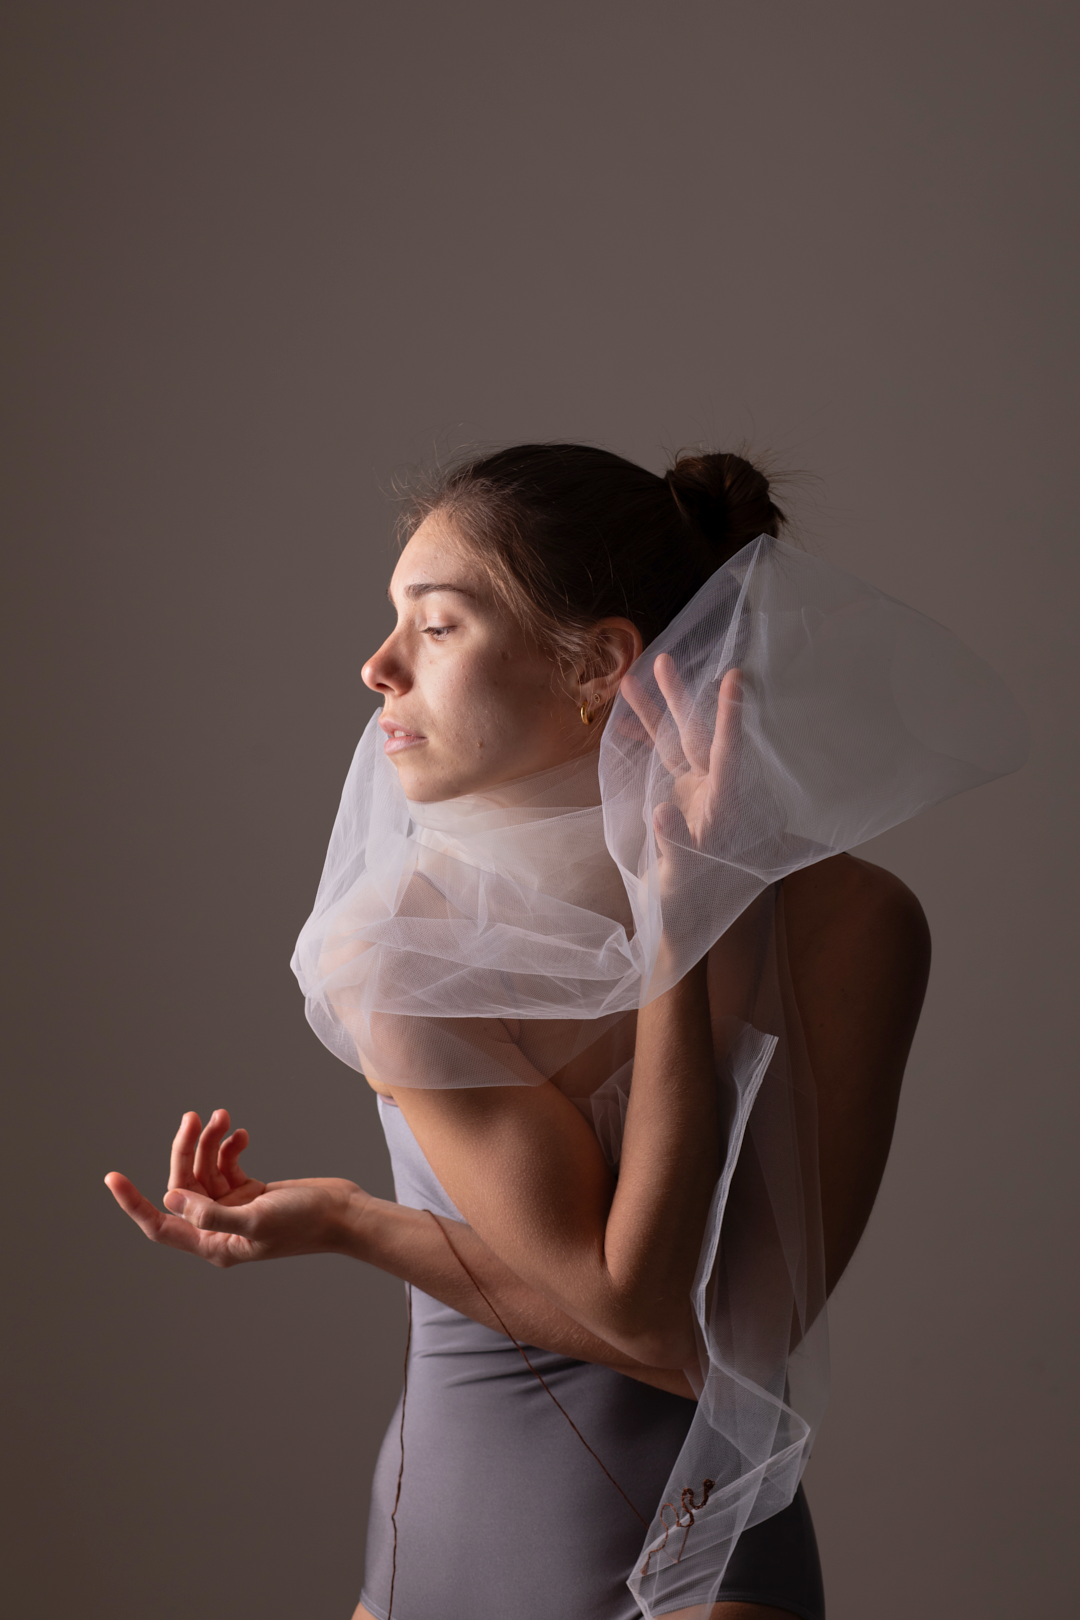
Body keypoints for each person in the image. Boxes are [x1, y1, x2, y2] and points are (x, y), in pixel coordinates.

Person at [107, 444, 1022, 1620]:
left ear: (598, 666)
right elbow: (652, 1324)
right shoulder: (397, 944)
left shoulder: (857, 925)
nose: (378, 666)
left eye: (435, 628)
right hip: (446, 1551)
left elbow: (694, 1344)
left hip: (714, 1568)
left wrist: (675, 932)